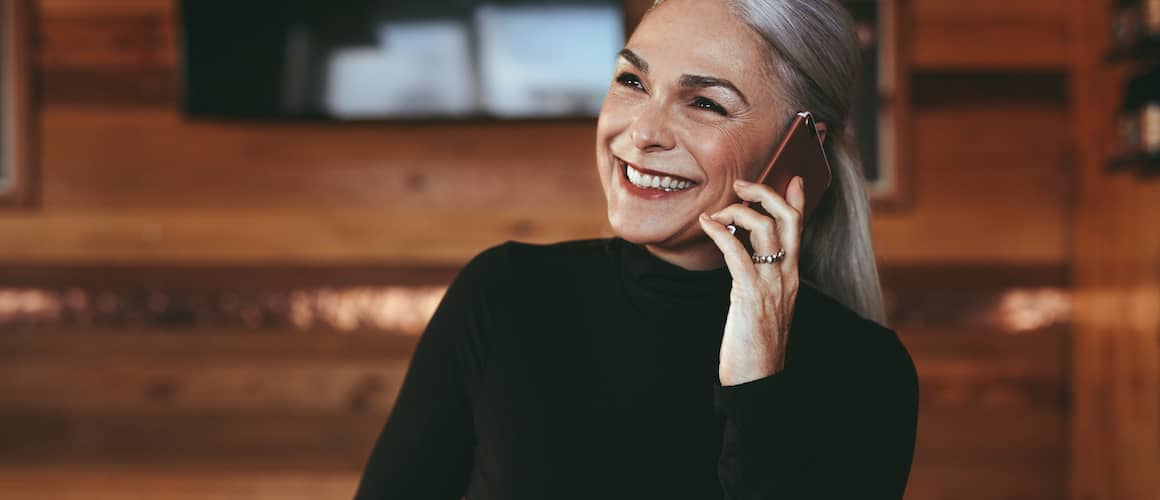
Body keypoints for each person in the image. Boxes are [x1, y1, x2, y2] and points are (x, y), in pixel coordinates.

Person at [353, 0, 918, 498]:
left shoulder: (866, 373)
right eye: (632, 81)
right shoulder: (504, 294)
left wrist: (757, 384)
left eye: (706, 104)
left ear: (799, 147)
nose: (644, 131)